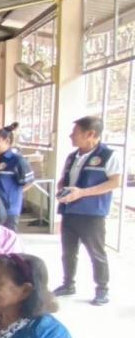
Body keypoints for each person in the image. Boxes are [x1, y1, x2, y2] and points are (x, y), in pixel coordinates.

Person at [55, 115, 122, 306]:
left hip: (92, 214)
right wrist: (62, 189)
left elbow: (114, 182)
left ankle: (102, 289)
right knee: (68, 251)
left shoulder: (108, 156)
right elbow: (66, 179)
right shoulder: (72, 156)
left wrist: (82, 193)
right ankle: (68, 284)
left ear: (90, 134)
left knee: (96, 253)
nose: (71, 136)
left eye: (75, 133)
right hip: (69, 211)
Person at [0, 122, 35, 231]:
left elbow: (29, 182)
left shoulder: (17, 160)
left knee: (7, 237)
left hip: (9, 209)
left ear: (7, 141)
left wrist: (12, 194)